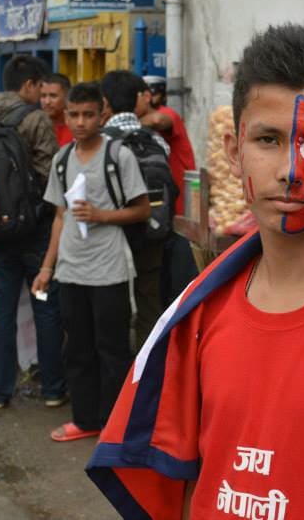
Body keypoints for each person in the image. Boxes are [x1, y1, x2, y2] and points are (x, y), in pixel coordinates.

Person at [86, 24, 304, 519]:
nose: (290, 169)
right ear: (235, 152)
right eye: (268, 139)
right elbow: (180, 483)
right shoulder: (195, 317)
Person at [32, 82, 150, 442]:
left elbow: (142, 209)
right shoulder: (62, 159)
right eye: (74, 115)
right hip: (71, 269)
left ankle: (113, 423)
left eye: (88, 114)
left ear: (102, 115)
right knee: (77, 348)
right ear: (65, 116)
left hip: (110, 268)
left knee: (112, 349)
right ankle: (84, 420)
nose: (81, 122)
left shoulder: (119, 156)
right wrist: (47, 268)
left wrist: (101, 215)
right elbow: (59, 217)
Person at [0, 55, 65, 410]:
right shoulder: (34, 118)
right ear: (29, 86)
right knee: (45, 307)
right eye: (39, 88)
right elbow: (51, 173)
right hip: (36, 230)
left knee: (1, 310)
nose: (42, 95)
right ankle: (53, 389)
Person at [100, 70, 171, 348]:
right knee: (149, 303)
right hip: (152, 231)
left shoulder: (100, 142)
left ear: (105, 102)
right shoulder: (155, 140)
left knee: (112, 309)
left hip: (110, 236)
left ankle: (117, 374)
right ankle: (146, 372)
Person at [140, 75, 200, 308]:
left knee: (180, 283)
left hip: (181, 214)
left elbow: (159, 120)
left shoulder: (168, 115)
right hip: (159, 215)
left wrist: (123, 121)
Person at [41, 73, 74, 147]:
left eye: (53, 96)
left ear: (67, 96)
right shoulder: (35, 129)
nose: (47, 102)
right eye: (43, 96)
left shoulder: (78, 128)